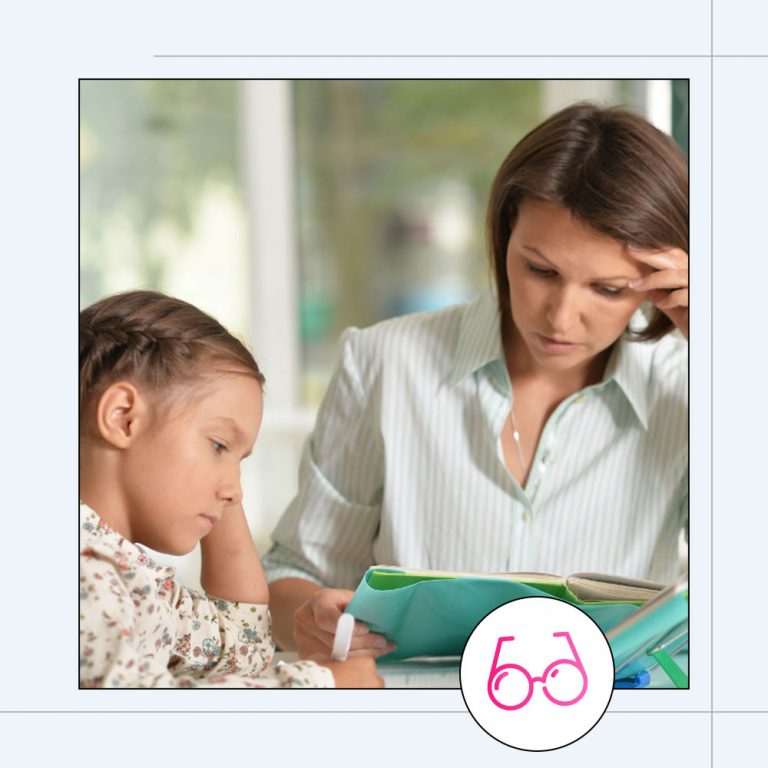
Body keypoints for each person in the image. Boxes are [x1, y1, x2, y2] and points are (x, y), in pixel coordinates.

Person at [262, 102, 689, 660]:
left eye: (608, 289)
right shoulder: (383, 364)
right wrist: (310, 621)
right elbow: (293, 578)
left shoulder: (691, 392)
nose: (561, 317)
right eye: (540, 270)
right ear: (505, 230)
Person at [79, 290, 382, 688]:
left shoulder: (126, 575)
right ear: (122, 418)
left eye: (241, 460)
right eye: (218, 445)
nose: (236, 491)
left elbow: (244, 645)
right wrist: (320, 686)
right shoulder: (85, 576)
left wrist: (223, 467)